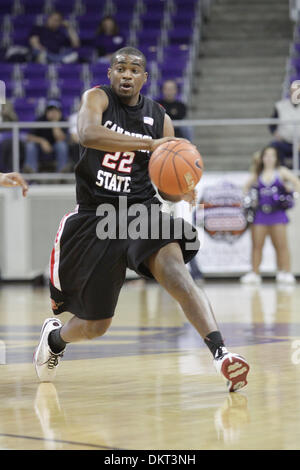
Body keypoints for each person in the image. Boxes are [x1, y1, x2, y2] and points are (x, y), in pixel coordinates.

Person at [33, 47, 249, 393]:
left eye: (135, 70)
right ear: (110, 74)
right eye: (121, 68)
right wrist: (149, 145)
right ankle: (56, 339)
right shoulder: (97, 99)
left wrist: (182, 189)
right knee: (96, 324)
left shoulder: (159, 116)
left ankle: (221, 353)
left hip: (141, 212)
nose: (127, 74)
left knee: (178, 275)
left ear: (144, 78)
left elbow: (168, 190)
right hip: (97, 215)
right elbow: (88, 134)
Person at [240, 145, 300, 285]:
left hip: (277, 214)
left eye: (272, 155)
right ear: (262, 158)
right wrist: (249, 200)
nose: (269, 158)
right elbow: (245, 188)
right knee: (257, 245)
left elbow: (296, 182)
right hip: (260, 214)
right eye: (266, 155)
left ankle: (285, 272)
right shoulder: (257, 174)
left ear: (276, 158)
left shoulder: (281, 172)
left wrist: (291, 194)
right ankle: (255, 273)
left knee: (281, 245)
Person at [23, 100, 70, 173]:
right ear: (46, 112)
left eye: (56, 110)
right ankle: (31, 174)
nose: (53, 113)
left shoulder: (63, 121)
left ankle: (61, 174)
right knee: (31, 146)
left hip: (55, 146)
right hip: (40, 147)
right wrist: (42, 141)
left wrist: (55, 123)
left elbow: (61, 138)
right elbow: (29, 137)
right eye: (50, 110)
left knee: (62, 146)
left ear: (60, 113)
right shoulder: (40, 120)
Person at [270, 81, 300, 169]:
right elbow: (271, 124)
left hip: (299, 143)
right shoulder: (280, 106)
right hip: (284, 142)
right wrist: (276, 134)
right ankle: (281, 174)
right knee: (274, 146)